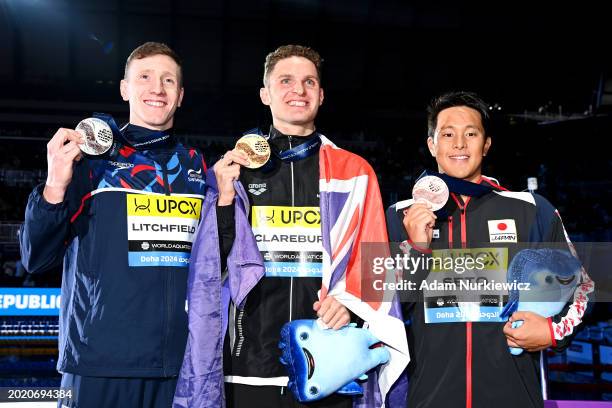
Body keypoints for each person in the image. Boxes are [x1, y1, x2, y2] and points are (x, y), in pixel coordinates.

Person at [176, 45, 408, 408]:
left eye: (309, 82)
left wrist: (351, 306)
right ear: (265, 94)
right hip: (248, 364)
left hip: (332, 361)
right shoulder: (235, 170)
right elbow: (211, 265)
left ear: (321, 94)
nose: (298, 90)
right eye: (286, 81)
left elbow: (374, 266)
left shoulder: (354, 172)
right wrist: (222, 200)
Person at [19, 42, 207, 408]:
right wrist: (55, 182)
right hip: (97, 364)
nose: (157, 88)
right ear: (124, 88)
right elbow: (35, 257)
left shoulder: (197, 170)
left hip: (177, 366)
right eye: (145, 77)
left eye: (169, 80)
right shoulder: (90, 164)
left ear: (181, 96)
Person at [386, 91, 594, 408]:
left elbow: (583, 288)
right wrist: (417, 248)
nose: (459, 144)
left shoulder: (531, 210)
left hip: (514, 395)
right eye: (447, 134)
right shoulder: (399, 215)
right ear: (432, 144)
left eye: (471, 134)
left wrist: (553, 332)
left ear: (486, 144)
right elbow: (383, 307)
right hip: (430, 397)